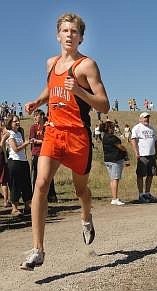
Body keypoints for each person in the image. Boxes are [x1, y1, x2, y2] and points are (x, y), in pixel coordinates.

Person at [21, 13, 110, 271]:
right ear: (58, 35)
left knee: (80, 190)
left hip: (78, 136)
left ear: (81, 37)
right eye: (65, 30)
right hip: (53, 131)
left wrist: (79, 91)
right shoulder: (50, 63)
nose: (69, 35)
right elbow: (52, 87)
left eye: (74, 31)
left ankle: (86, 217)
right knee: (40, 183)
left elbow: (103, 105)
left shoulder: (87, 66)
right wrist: (38, 101)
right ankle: (37, 250)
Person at [5, 115, 32, 216]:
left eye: (18, 120)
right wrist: (26, 143)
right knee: (15, 185)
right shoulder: (10, 134)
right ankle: (15, 209)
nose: (17, 122)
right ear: (10, 123)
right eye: (15, 121)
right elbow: (15, 149)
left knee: (26, 184)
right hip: (14, 162)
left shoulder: (19, 133)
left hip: (23, 161)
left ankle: (27, 206)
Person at [29, 109, 58, 203]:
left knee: (49, 175)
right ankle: (36, 196)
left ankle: (51, 195)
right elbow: (32, 139)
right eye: (34, 116)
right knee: (36, 175)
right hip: (37, 153)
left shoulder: (47, 126)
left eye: (36, 115)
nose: (35, 118)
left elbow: (51, 139)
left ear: (41, 116)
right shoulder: (33, 127)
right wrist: (43, 141)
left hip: (47, 153)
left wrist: (40, 141)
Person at [131, 112, 157, 203]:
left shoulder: (152, 128)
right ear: (140, 119)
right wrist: (136, 152)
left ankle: (147, 193)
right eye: (144, 118)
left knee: (150, 175)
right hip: (142, 155)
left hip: (151, 155)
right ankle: (141, 194)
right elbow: (133, 140)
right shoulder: (137, 128)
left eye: (147, 118)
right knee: (140, 175)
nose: (146, 119)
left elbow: (155, 141)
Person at [101, 121, 130, 206]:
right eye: (113, 127)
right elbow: (121, 147)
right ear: (109, 128)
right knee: (115, 179)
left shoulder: (104, 137)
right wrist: (125, 152)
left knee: (112, 179)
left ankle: (114, 197)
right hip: (115, 160)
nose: (114, 129)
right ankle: (115, 199)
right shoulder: (113, 138)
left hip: (108, 160)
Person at [0, 121, 10, 207]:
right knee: (3, 181)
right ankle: (5, 201)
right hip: (1, 157)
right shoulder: (2, 132)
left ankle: (6, 201)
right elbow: (2, 147)